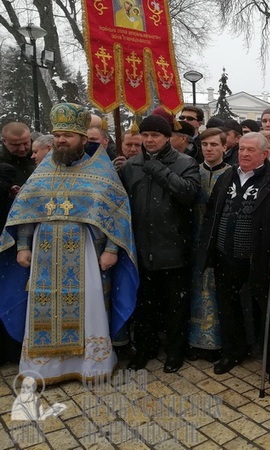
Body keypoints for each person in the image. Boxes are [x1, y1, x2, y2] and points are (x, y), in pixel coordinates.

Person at [0, 103, 138, 384]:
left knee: (88, 304)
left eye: (68, 135)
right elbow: (26, 211)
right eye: (58, 135)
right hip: (44, 253)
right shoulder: (42, 172)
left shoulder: (102, 173)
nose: (61, 140)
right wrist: (24, 245)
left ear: (83, 140)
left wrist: (112, 250)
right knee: (42, 303)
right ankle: (46, 368)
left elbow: (117, 213)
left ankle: (90, 364)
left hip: (86, 251)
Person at [197, 132, 270, 385]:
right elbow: (212, 214)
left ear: (265, 154)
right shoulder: (226, 177)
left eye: (251, 150)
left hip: (260, 260)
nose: (244, 154)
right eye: (241, 149)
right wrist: (209, 250)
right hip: (225, 256)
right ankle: (233, 351)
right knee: (228, 307)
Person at [118, 114, 200, 373]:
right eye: (145, 135)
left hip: (173, 246)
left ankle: (175, 352)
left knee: (176, 306)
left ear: (168, 137)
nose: (149, 140)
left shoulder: (185, 162)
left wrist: (157, 167)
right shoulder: (131, 166)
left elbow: (187, 194)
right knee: (144, 305)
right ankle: (145, 349)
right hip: (141, 248)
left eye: (155, 135)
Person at [188, 128, 229, 362]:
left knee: (216, 294)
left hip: (219, 244)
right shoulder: (193, 172)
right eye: (205, 145)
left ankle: (217, 344)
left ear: (224, 147)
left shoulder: (232, 174)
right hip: (194, 240)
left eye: (214, 144)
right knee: (195, 291)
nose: (209, 149)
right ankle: (195, 342)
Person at [0, 121, 34, 186]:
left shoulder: (43, 154)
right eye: (16, 145)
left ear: (30, 138)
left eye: (25, 143)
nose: (22, 149)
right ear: (4, 141)